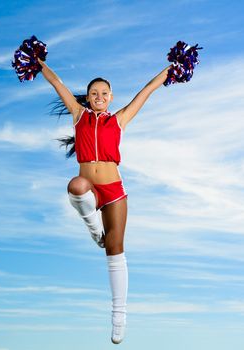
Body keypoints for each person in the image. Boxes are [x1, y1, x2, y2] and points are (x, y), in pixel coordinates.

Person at [38, 57, 171, 344]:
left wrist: (172, 68)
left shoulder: (119, 119)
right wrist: (38, 63)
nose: (99, 97)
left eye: (104, 93)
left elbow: (147, 89)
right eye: (94, 93)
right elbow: (56, 82)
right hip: (91, 186)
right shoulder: (78, 115)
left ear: (110, 98)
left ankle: (119, 315)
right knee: (76, 186)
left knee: (115, 247)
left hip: (113, 190)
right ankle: (93, 228)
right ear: (87, 98)